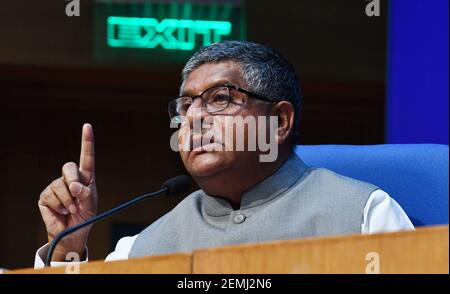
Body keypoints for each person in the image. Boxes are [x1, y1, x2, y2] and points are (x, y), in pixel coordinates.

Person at [35, 41, 413, 267]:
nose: (194, 118)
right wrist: (68, 248)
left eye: (219, 99)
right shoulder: (142, 248)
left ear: (279, 121)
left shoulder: (366, 214)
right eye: (185, 106)